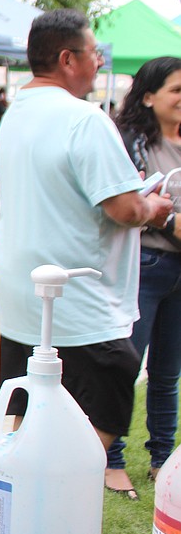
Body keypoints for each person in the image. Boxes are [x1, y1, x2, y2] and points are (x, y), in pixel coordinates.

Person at [0, 9, 173, 463]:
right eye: (95, 54)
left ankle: (17, 486)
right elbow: (126, 208)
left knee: (26, 408)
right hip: (77, 293)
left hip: (22, 291)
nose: (100, 64)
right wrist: (152, 206)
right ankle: (50, 495)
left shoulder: (15, 113)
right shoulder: (84, 119)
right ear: (68, 58)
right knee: (104, 408)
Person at [104, 56, 181, 499]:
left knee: (168, 374)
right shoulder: (130, 140)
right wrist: (168, 223)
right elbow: (132, 203)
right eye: (175, 89)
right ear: (148, 96)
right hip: (145, 268)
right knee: (127, 365)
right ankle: (112, 460)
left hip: (179, 273)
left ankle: (163, 459)